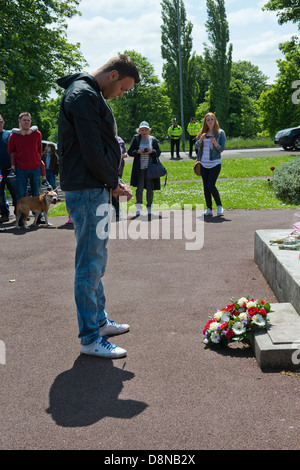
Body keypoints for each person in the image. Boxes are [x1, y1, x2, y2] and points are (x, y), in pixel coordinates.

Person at [57, 54, 140, 358]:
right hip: (89, 187)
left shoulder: (86, 93)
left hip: (94, 186)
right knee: (89, 264)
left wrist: (110, 181)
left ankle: (99, 321)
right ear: (114, 75)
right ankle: (90, 337)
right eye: (124, 89)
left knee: (97, 259)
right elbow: (91, 148)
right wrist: (114, 182)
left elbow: (96, 146)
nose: (121, 95)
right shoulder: (82, 95)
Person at [128, 121, 162, 220]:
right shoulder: (136, 139)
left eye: (145, 130)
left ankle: (149, 207)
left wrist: (152, 151)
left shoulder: (153, 139)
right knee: (139, 188)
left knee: (150, 188)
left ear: (148, 130)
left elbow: (158, 152)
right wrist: (137, 151)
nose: (144, 132)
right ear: (139, 130)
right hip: (139, 169)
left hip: (151, 169)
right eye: (142, 130)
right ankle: (138, 208)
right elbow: (130, 152)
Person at [195, 112, 226, 216]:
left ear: (215, 120)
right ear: (205, 122)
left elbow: (221, 149)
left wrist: (214, 142)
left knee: (210, 185)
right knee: (205, 186)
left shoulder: (220, 133)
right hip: (203, 163)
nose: (209, 121)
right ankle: (208, 208)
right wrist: (201, 139)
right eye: (207, 120)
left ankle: (219, 206)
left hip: (215, 163)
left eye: (211, 119)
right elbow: (196, 145)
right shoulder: (203, 132)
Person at [0, 115, 18, 222]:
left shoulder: (10, 134)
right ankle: (4, 214)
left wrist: (14, 166)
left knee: (15, 193)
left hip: (10, 170)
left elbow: (16, 151)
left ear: (4, 122)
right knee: (0, 195)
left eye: (0, 121)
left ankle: (18, 214)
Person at [111, 136, 127, 219]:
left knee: (119, 188)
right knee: (110, 190)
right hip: (108, 169)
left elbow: (125, 154)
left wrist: (118, 156)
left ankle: (120, 210)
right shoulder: (105, 137)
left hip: (119, 169)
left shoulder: (120, 140)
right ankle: (113, 209)